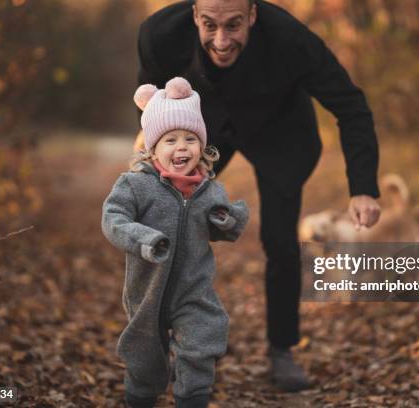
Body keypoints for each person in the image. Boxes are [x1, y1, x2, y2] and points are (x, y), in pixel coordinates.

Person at [134, 0, 381, 392]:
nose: (221, 40)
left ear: (252, 14)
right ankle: (163, 346)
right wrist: (155, 160)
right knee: (168, 231)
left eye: (234, 25)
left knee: (281, 242)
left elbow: (351, 106)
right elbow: (150, 102)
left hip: (279, 134)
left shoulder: (291, 40)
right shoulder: (158, 35)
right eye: (209, 25)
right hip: (201, 130)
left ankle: (282, 350)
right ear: (194, 14)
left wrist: (363, 188)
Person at [103, 77, 249, 408]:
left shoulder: (209, 189)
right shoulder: (135, 185)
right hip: (146, 293)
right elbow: (113, 220)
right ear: (153, 147)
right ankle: (139, 397)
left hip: (193, 291)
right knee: (145, 362)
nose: (181, 147)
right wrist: (144, 238)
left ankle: (193, 397)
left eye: (190, 139)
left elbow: (224, 228)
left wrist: (227, 219)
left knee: (201, 348)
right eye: (170, 139)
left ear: (202, 145)